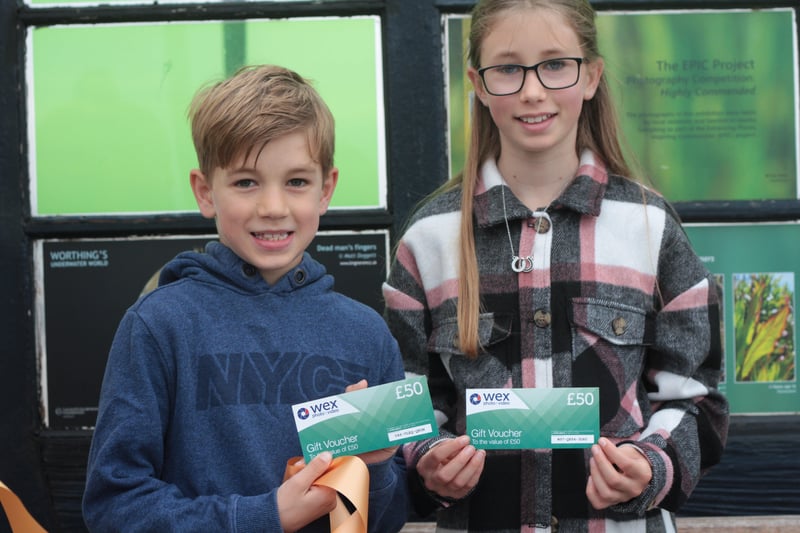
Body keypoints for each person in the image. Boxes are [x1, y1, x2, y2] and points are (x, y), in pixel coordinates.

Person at [383, 0, 729, 531]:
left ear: (591, 75)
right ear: (477, 82)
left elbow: (697, 397)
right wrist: (425, 461)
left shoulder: (650, 227)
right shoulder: (428, 240)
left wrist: (651, 466)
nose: (532, 90)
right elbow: (407, 399)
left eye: (554, 64)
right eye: (507, 68)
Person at [83, 65, 408, 533]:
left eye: (296, 181)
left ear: (326, 189)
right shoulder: (158, 325)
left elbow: (387, 520)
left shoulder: (367, 335)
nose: (273, 207)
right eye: (245, 182)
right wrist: (265, 516)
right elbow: (114, 506)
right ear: (204, 191)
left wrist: (373, 468)